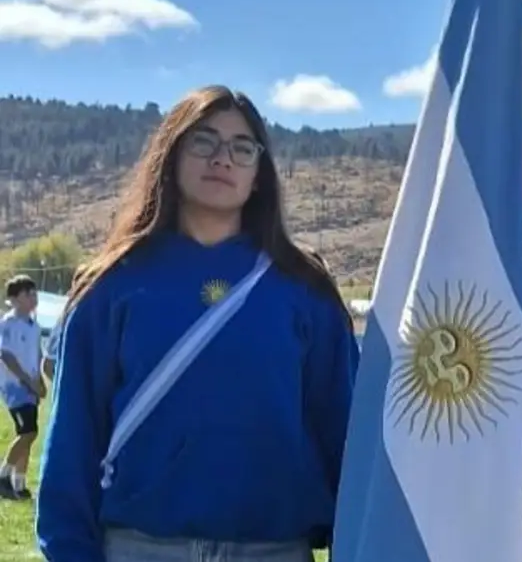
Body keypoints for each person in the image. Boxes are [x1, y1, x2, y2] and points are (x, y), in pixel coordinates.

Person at [36, 85, 361, 562]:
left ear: (259, 175)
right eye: (203, 141)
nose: (222, 158)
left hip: (273, 550)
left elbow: (345, 434)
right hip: (139, 549)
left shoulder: (305, 290)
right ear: (171, 158)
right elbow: (73, 438)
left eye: (242, 147)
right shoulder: (111, 285)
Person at [0, 274, 45, 500]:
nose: (33, 298)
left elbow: (37, 355)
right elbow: (7, 356)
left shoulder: (34, 326)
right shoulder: (8, 323)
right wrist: (27, 381)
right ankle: (3, 476)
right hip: (15, 386)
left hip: (31, 386)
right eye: (28, 294)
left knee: (28, 433)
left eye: (35, 293)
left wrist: (39, 382)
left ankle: (19, 484)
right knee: (28, 432)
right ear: (14, 299)